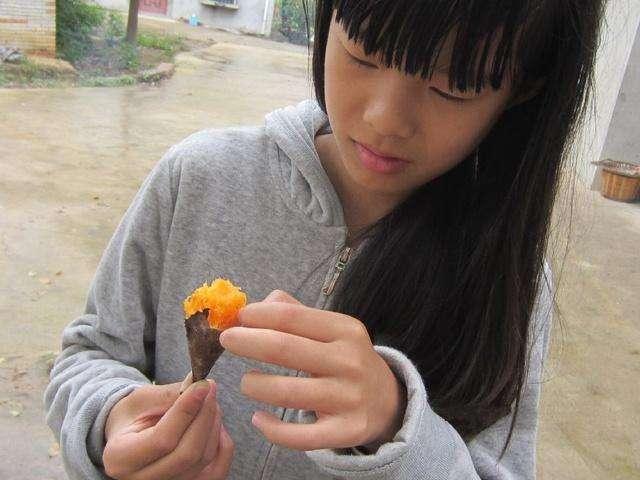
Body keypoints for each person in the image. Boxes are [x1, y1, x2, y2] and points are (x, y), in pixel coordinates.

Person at [45, 0, 605, 479]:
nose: (385, 119)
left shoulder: (508, 281)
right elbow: (92, 351)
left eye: (451, 87)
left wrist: (399, 429)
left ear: (523, 89)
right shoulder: (199, 176)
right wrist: (110, 418)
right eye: (363, 53)